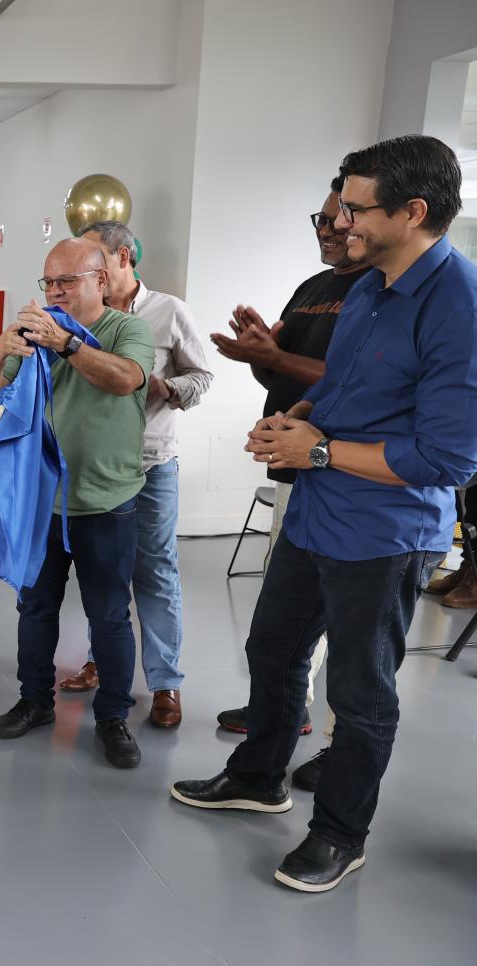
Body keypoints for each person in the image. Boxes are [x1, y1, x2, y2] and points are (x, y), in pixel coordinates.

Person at [171, 135, 477, 893]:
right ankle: (259, 776)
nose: (339, 221)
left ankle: (341, 833)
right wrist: (298, 417)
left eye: (354, 208)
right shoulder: (370, 283)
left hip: (385, 534)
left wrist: (315, 450)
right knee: (273, 652)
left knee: (358, 692)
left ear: (414, 211)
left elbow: (447, 460)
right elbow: (342, 387)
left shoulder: (460, 305)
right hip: (318, 513)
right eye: (339, 205)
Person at [208, 182, 374, 785]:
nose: (329, 229)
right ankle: (277, 714)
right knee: (284, 627)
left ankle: (331, 740)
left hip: (349, 475)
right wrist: (259, 352)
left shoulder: (378, 292)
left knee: (348, 638)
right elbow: (282, 367)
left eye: (342, 219)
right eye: (323, 218)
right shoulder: (315, 287)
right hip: (296, 466)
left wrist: (277, 362)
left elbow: (347, 380)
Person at [0, 238, 154, 768]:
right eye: (48, 283)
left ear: (100, 280)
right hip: (41, 501)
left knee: (109, 616)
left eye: (66, 282)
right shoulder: (33, 334)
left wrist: (68, 344)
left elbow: (127, 381)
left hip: (106, 502)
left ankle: (113, 717)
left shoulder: (128, 330)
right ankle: (35, 702)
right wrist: (3, 348)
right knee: (34, 607)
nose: (55, 292)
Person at [57, 221, 213, 727]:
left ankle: (166, 683)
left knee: (155, 570)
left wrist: (161, 388)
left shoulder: (168, 311)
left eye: (95, 258)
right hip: (90, 465)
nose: (87, 269)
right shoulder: (77, 312)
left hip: (149, 461)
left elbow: (201, 375)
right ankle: (102, 662)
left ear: (122, 258)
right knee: (103, 576)